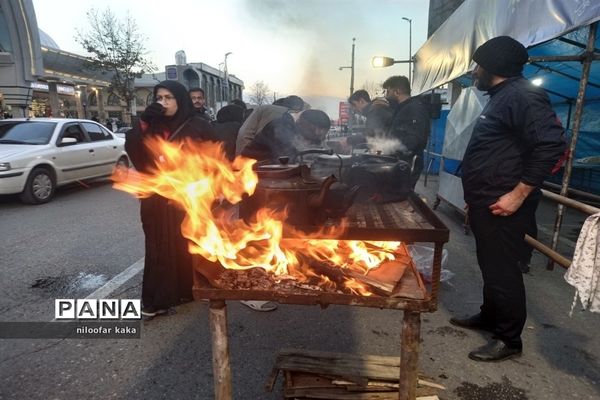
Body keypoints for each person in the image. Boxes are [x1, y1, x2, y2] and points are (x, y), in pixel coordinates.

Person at [450, 36, 566, 362]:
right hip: (487, 200)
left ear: (494, 67)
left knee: (503, 270)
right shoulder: (502, 96)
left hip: (505, 205)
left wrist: (518, 194)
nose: (474, 72)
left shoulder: (524, 96)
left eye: (478, 65)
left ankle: (509, 339)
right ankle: (491, 316)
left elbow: (550, 144)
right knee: (490, 264)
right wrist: (474, 197)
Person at [125, 80, 216, 317]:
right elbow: (137, 155)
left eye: (168, 98)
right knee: (158, 247)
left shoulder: (197, 124)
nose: (163, 103)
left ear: (180, 99)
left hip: (187, 195)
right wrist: (143, 123)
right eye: (159, 98)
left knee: (185, 245)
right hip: (157, 196)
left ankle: (185, 291)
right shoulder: (151, 125)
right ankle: (155, 302)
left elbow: (212, 158)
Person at [382, 75, 431, 188]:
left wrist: (390, 147)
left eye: (387, 91)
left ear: (397, 91)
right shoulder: (402, 109)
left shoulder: (414, 109)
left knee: (400, 197)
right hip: (399, 162)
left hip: (407, 164)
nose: (386, 95)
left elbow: (414, 139)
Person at [241, 109, 331, 164]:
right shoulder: (280, 127)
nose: (318, 139)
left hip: (274, 171)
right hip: (252, 169)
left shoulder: (299, 130)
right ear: (302, 124)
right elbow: (285, 157)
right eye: (315, 134)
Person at [235, 95, 305, 156]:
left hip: (255, 157)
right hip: (270, 158)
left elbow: (244, 133)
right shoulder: (294, 116)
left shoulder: (264, 109)